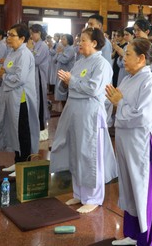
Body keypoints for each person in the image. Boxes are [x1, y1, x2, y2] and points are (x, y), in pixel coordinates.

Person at [50, 27, 118, 214]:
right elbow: (71, 84)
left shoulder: (102, 64)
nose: (79, 43)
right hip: (74, 110)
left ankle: (93, 197)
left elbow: (94, 89)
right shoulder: (80, 62)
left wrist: (71, 81)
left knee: (89, 154)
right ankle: (79, 193)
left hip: (89, 112)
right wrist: (66, 82)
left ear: (94, 43)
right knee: (76, 152)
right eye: (79, 40)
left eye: (83, 40)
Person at [106, 38, 152, 246]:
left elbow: (142, 117)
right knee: (129, 187)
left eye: (128, 54)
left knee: (143, 188)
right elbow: (117, 103)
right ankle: (132, 234)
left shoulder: (150, 83)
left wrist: (119, 103)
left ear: (141, 58)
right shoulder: (127, 79)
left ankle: (146, 240)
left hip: (142, 144)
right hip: (126, 141)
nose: (123, 58)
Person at [0, 24, 39, 174]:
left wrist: (3, 75)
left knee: (22, 131)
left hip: (20, 98)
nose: (8, 38)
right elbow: (8, 71)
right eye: (8, 35)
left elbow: (20, 78)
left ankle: (24, 165)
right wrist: (2, 73)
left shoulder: (24, 54)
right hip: (10, 96)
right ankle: (17, 161)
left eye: (12, 35)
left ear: (22, 38)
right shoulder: (12, 52)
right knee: (14, 130)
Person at [28, 24, 50, 141]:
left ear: (39, 33)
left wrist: (30, 49)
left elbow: (35, 60)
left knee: (40, 102)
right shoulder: (35, 45)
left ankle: (41, 129)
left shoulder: (43, 46)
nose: (31, 36)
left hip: (40, 77)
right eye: (30, 34)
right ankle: (34, 127)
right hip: (33, 77)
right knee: (34, 102)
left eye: (33, 33)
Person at [54, 34, 75, 107]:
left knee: (65, 93)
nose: (61, 40)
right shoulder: (63, 48)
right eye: (61, 39)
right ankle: (62, 108)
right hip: (61, 73)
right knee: (61, 92)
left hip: (66, 73)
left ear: (68, 40)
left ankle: (65, 109)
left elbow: (64, 60)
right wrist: (58, 53)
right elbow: (54, 60)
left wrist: (59, 53)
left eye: (64, 39)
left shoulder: (71, 49)